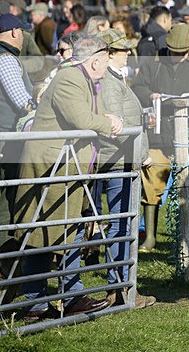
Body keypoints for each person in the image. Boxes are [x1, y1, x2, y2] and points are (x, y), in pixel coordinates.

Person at [12, 34, 121, 320]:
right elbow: (82, 120)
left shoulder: (85, 79)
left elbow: (87, 117)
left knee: (66, 232)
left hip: (67, 168)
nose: (108, 63)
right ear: (95, 59)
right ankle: (41, 303)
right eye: (106, 57)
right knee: (43, 236)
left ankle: (67, 297)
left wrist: (106, 119)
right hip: (51, 168)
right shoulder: (70, 78)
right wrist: (110, 123)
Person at [131, 23, 189, 251]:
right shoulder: (153, 63)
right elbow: (138, 88)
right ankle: (150, 237)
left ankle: (185, 236)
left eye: (181, 51)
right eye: (173, 51)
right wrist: (150, 95)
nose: (176, 55)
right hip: (158, 135)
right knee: (151, 183)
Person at [96, 29, 156, 308]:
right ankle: (117, 286)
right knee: (120, 224)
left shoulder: (114, 78)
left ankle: (120, 286)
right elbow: (115, 126)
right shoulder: (108, 82)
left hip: (122, 157)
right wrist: (142, 154)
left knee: (123, 224)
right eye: (123, 50)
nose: (128, 54)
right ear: (108, 53)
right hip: (118, 159)